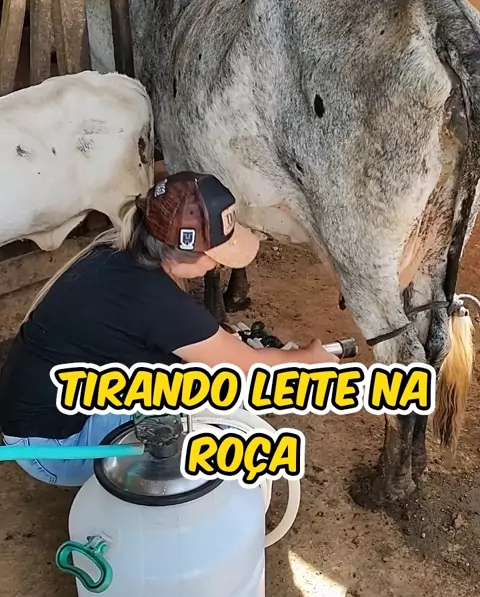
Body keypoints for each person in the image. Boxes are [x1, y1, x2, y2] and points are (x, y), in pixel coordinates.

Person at [0, 170, 339, 488]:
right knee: (225, 404)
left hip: (37, 423)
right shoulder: (155, 300)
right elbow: (247, 368)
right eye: (216, 255)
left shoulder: (117, 254)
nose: (219, 264)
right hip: (55, 450)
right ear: (183, 255)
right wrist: (309, 358)